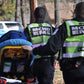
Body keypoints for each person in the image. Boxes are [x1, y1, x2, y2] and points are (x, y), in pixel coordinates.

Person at [22, 2, 84, 84]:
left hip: (72, 69)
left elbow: (52, 47)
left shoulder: (66, 26)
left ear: (75, 11)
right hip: (49, 63)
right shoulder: (50, 27)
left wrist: (34, 50)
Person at [24, 7, 55, 84]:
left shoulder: (29, 28)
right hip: (48, 62)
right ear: (45, 16)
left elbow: (26, 44)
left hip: (33, 62)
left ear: (34, 15)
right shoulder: (50, 28)